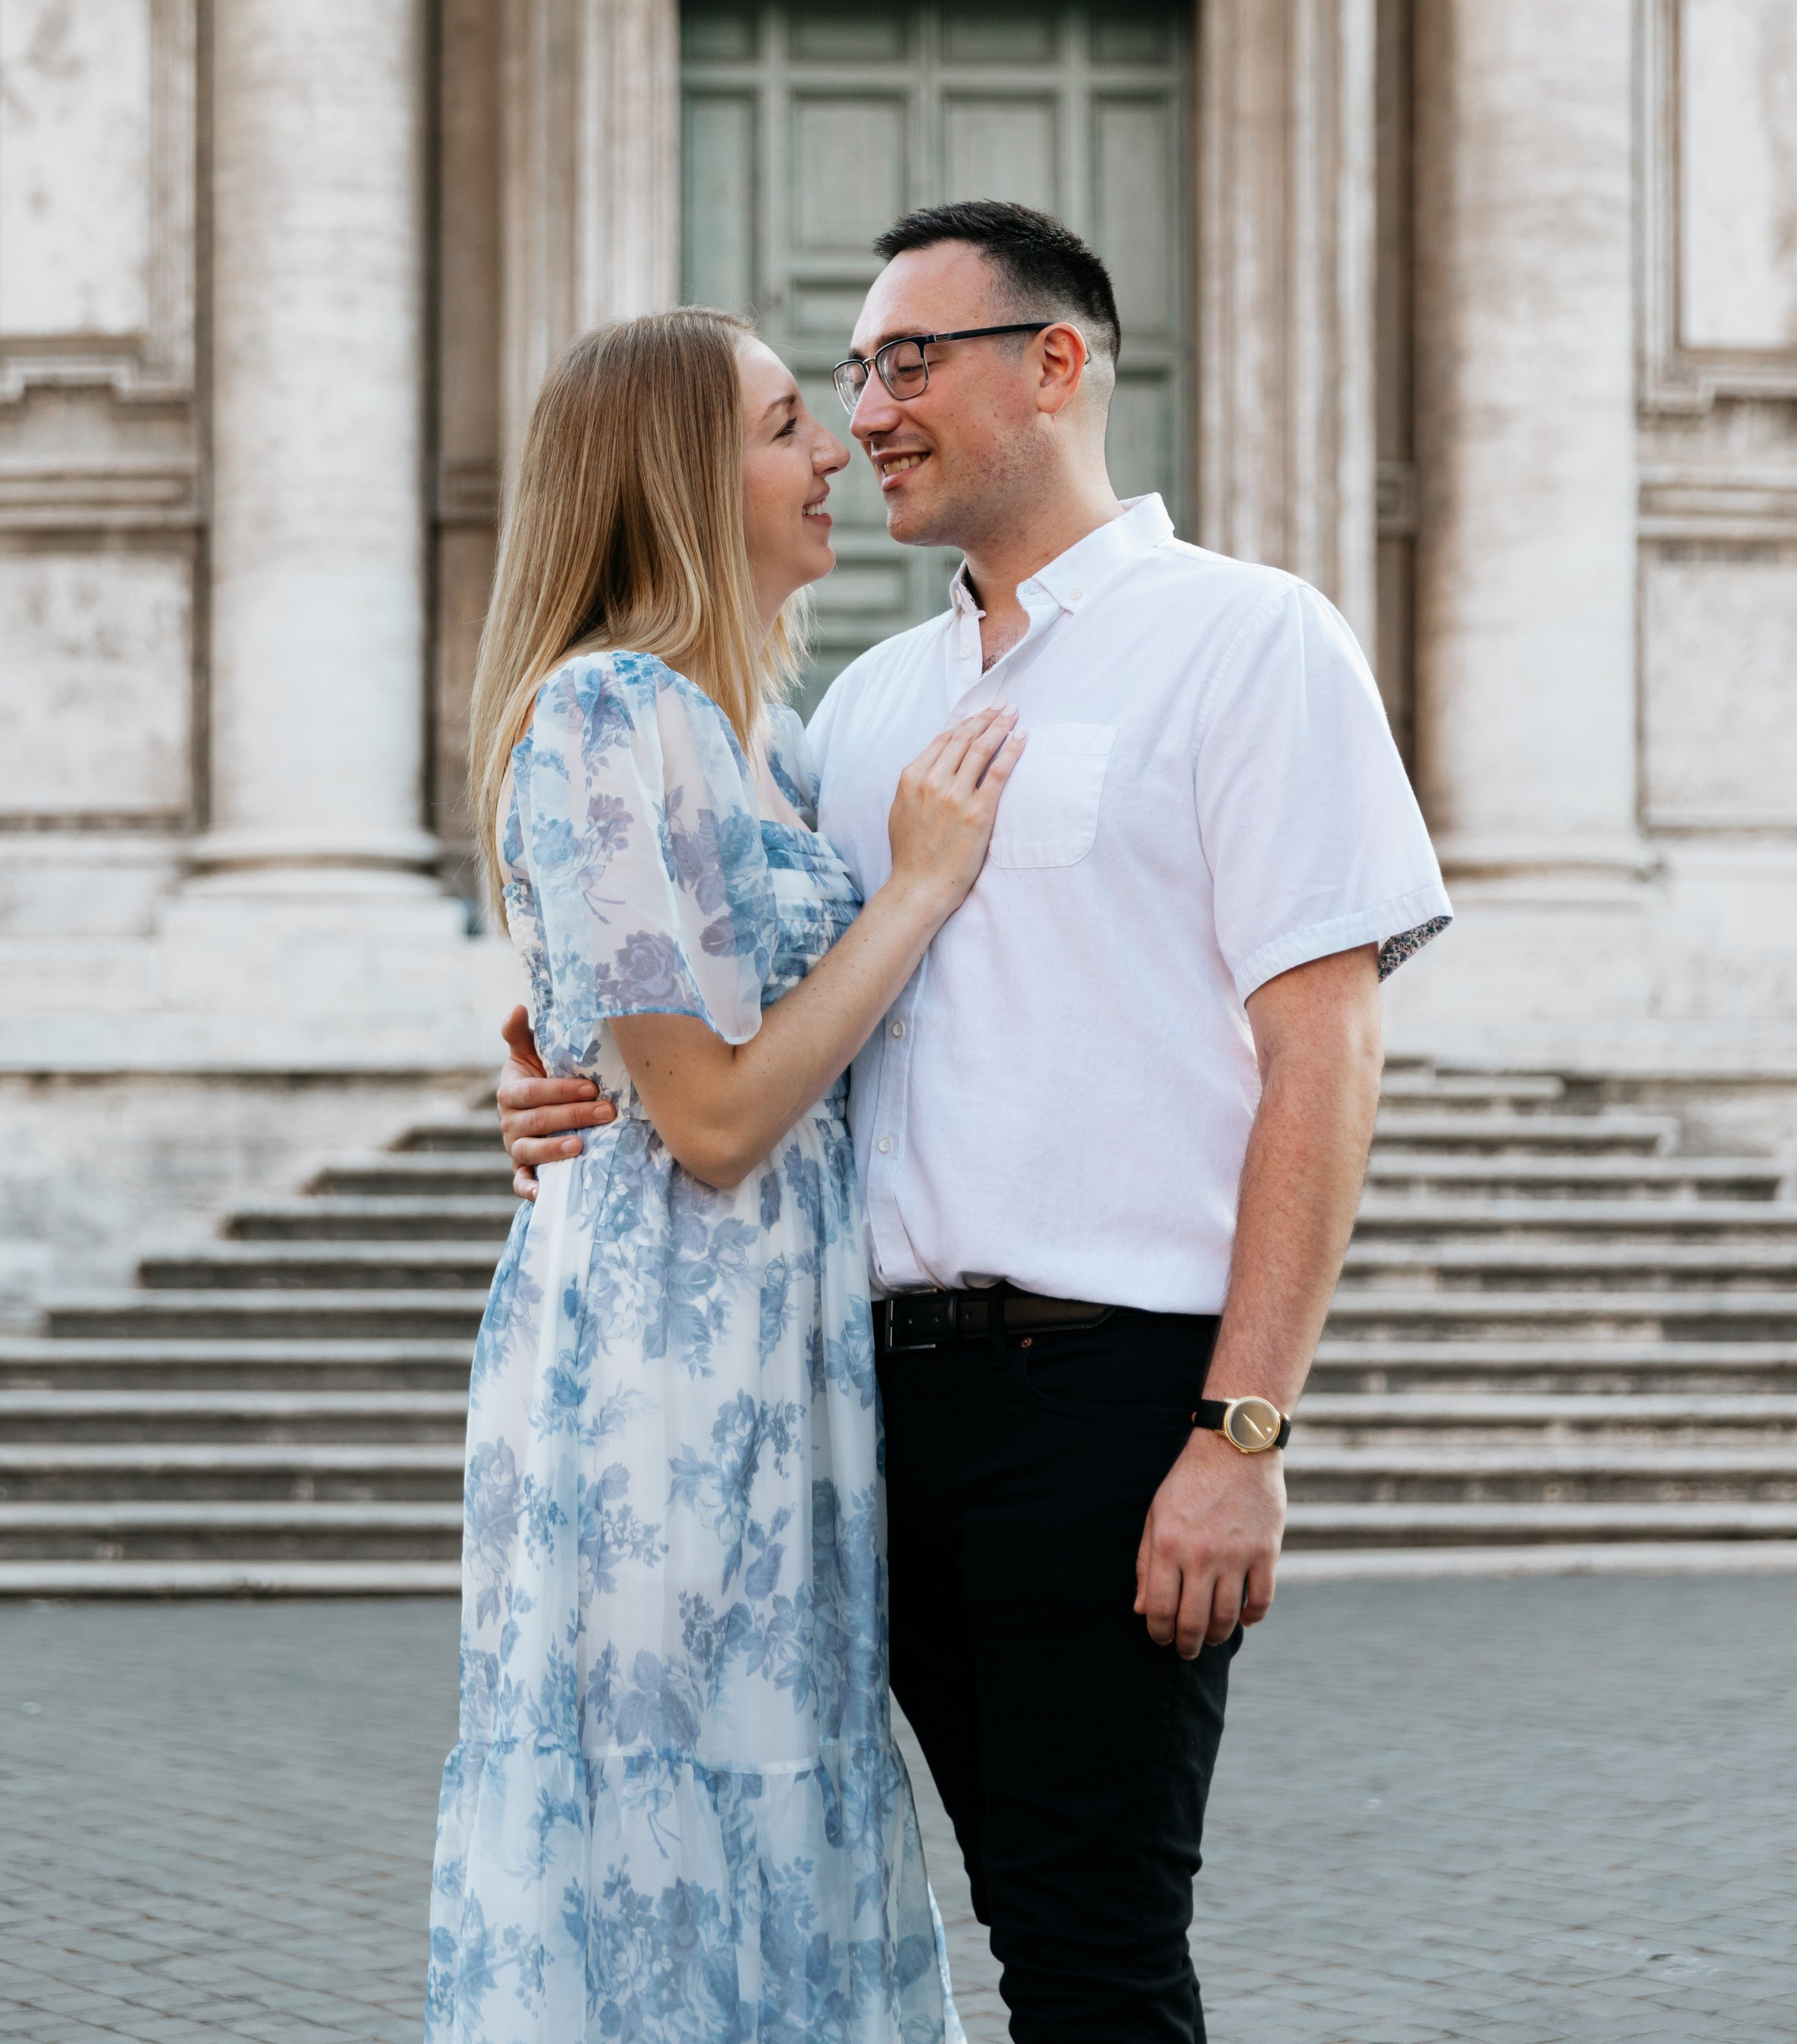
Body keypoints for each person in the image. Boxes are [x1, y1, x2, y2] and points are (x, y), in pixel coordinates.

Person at [500, 204, 1452, 2043]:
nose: (865, 411)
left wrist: (1241, 1429)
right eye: (848, 374)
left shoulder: (1247, 641)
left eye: (906, 362)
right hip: (851, 1412)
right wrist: (563, 1079)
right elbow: (739, 1000)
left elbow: (1323, 1051)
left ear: (1056, 363)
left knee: (1091, 1946)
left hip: (1103, 1399)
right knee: (889, 1924)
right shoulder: (862, 709)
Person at [426, 305, 1027, 2043]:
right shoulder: (607, 712)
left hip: (779, 1351)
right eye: (781, 426)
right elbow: (708, 1120)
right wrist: (918, 886)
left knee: (770, 1797)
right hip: (664, 1374)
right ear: (676, 477)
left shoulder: (765, 736)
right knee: (666, 1811)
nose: (832, 448)